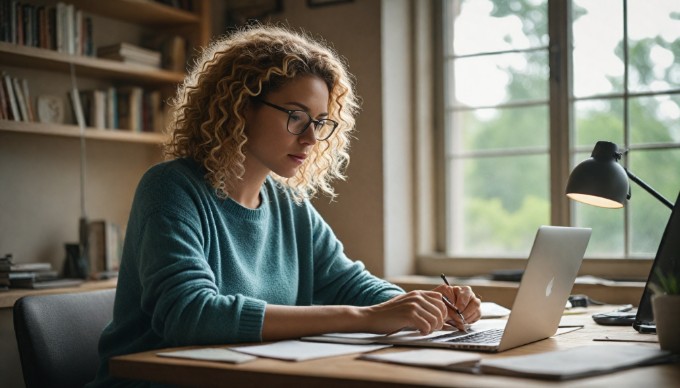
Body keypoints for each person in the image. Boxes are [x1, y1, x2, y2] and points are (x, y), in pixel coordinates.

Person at [88, 24, 481, 386]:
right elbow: (190, 314)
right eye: (296, 117)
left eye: (321, 122)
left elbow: (348, 283)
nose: (311, 138)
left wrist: (427, 306)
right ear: (241, 106)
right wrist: (364, 318)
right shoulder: (171, 188)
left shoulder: (288, 202)